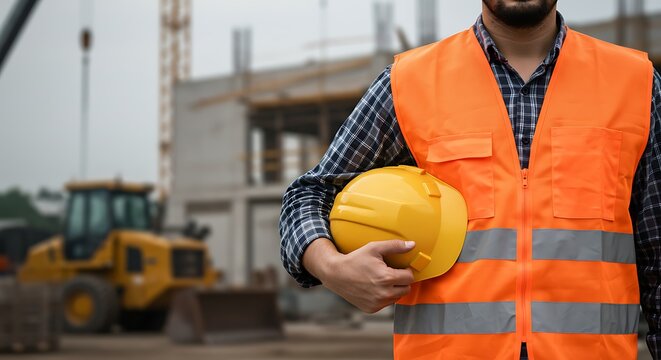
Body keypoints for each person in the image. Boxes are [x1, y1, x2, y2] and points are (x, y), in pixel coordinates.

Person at [279, 1, 661, 359]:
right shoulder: (410, 81)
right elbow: (309, 195)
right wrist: (332, 268)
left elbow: (657, 252)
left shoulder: (635, 82)